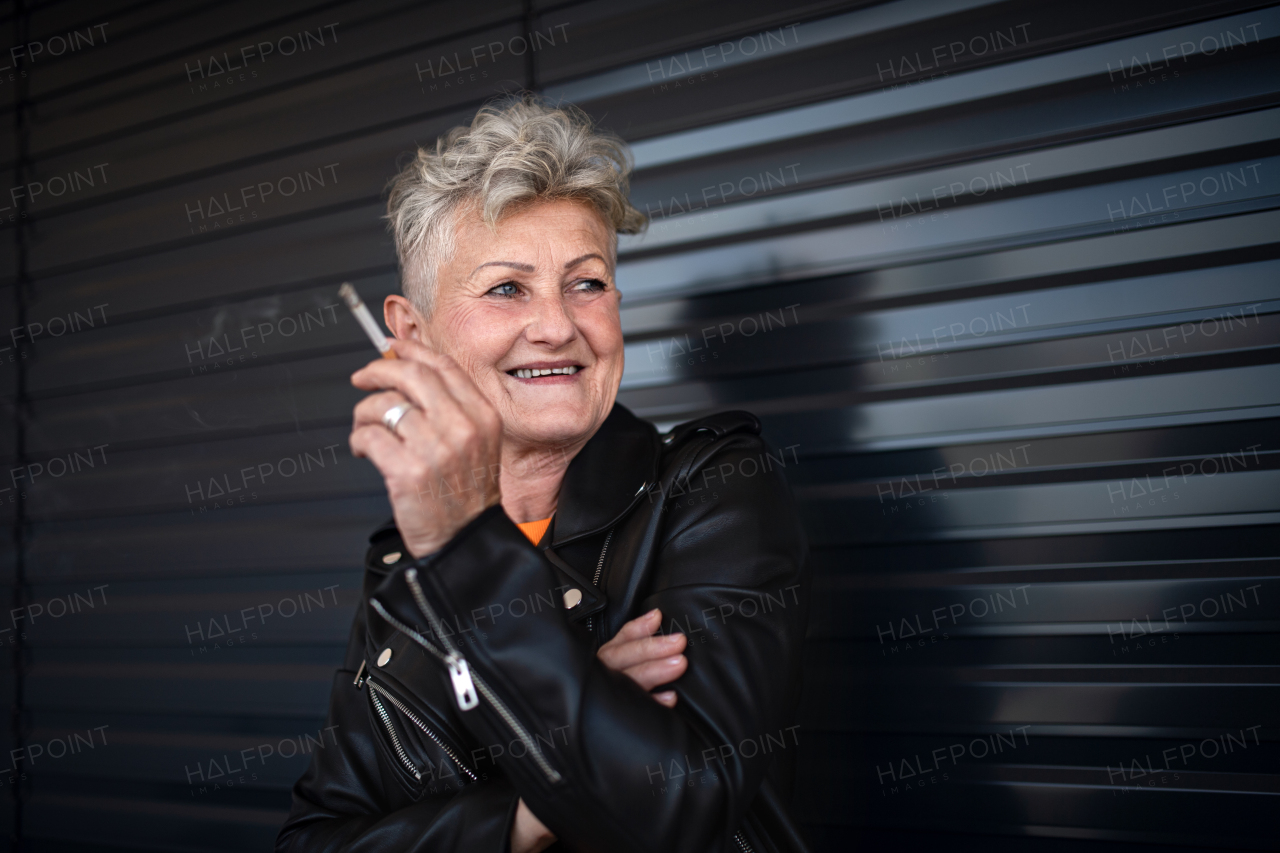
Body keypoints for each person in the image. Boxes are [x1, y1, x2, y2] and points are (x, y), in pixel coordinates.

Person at [276, 94, 810, 853]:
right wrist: (534, 797)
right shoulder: (401, 567)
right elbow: (313, 840)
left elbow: (682, 808)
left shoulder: (712, 492)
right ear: (410, 334)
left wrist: (465, 547)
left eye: (587, 283)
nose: (558, 324)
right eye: (507, 288)